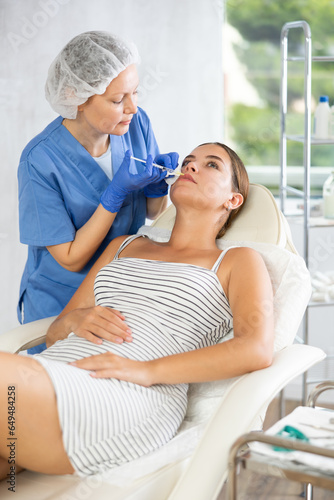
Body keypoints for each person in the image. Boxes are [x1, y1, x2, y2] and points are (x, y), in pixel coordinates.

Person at [0, 142, 274, 480]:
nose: (191, 166)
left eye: (211, 165)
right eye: (188, 161)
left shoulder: (237, 261)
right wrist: (75, 319)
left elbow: (256, 348)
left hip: (129, 395)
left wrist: (147, 370)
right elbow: (57, 331)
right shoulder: (124, 246)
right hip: (54, 371)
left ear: (232, 200)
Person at [17, 31, 178, 353]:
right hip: (60, 302)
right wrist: (113, 197)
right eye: (118, 100)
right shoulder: (40, 159)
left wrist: (158, 187)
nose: (132, 107)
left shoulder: (137, 124)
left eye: (134, 93)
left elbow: (152, 211)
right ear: (76, 97)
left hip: (120, 291)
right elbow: (70, 259)